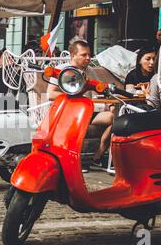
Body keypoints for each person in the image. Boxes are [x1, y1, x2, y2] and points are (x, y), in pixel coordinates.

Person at [47, 40, 114, 169]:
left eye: (89, 54)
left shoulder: (90, 71)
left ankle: (97, 156)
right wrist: (75, 96)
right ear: (73, 56)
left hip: (87, 112)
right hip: (67, 113)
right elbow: (50, 94)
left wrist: (109, 101)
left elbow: (100, 89)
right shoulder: (61, 70)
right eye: (84, 55)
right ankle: (74, 160)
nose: (88, 58)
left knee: (114, 117)